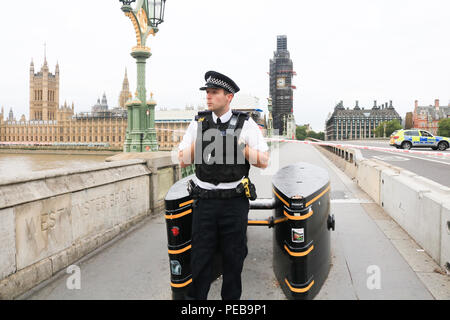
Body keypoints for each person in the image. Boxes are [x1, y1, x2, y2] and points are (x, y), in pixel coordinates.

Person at [178, 71, 270, 300]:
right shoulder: (198, 122)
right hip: (205, 203)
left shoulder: (245, 124)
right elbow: (182, 159)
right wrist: (201, 143)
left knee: (233, 261)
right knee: (200, 262)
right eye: (207, 92)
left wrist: (239, 147)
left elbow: (264, 162)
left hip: (234, 203)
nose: (208, 97)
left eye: (214, 92)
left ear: (228, 97)